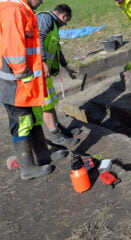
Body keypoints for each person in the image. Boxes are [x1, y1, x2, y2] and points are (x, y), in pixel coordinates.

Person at [0, 0, 56, 180]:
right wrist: (22, 72)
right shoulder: (13, 10)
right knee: (21, 122)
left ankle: (43, 156)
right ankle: (27, 168)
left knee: (33, 118)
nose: (42, 1)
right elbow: (13, 45)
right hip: (15, 82)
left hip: (23, 81)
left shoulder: (22, 9)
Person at [37, 4, 80, 148]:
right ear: (64, 16)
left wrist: (67, 68)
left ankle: (59, 130)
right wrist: (43, 61)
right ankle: (55, 136)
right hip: (37, 71)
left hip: (43, 72)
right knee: (46, 105)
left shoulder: (53, 26)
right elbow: (39, 39)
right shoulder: (46, 19)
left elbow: (57, 49)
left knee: (50, 103)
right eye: (67, 20)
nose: (66, 23)